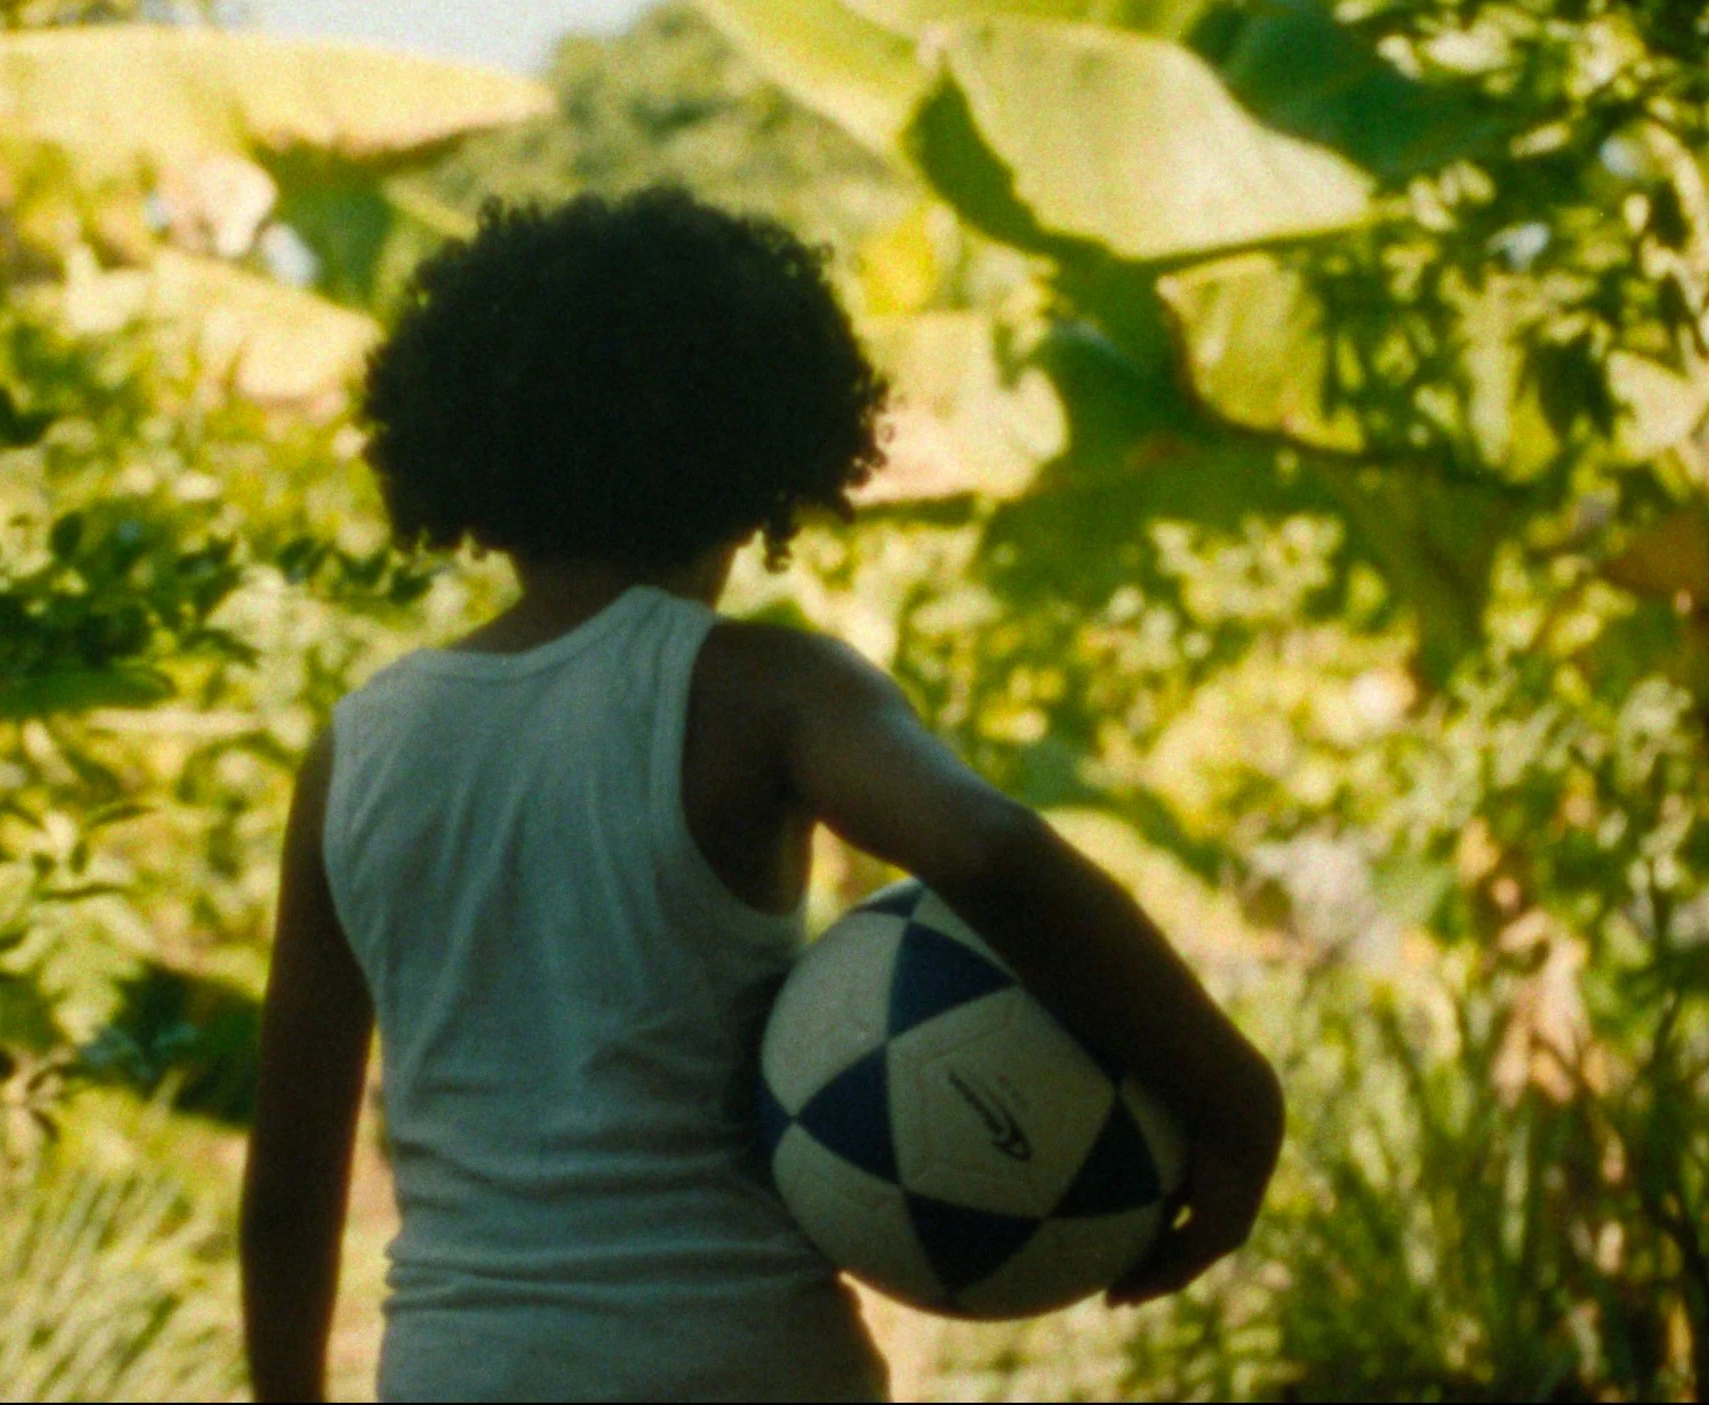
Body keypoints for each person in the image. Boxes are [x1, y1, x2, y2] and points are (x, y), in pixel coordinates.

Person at [239, 190, 1284, 1403]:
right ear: (763, 452)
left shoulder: (357, 751)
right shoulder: (762, 693)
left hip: (466, 1365)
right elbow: (990, 853)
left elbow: (286, 1198)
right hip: (736, 1359)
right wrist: (1236, 1105)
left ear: (465, 451)